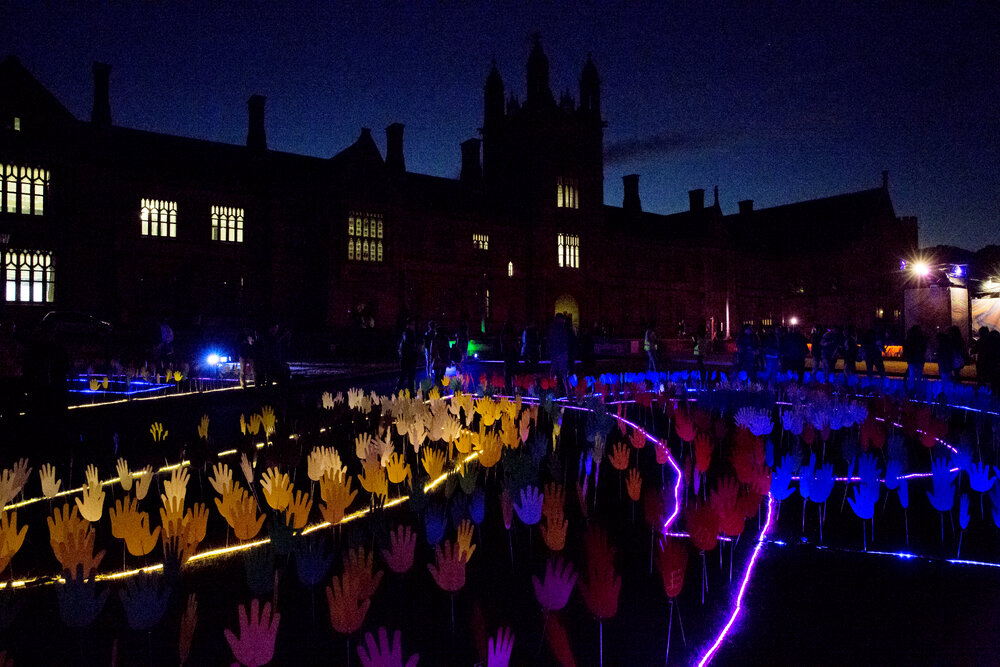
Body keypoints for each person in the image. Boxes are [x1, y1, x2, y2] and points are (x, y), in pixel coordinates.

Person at [548, 313, 571, 396]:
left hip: (555, 352)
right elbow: (567, 340)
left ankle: (552, 392)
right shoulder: (564, 328)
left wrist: (549, 351)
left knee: (553, 372)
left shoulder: (552, 327)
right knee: (563, 373)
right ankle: (567, 392)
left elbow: (549, 340)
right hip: (562, 352)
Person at [396, 318, 417, 394]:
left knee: (406, 376)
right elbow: (409, 347)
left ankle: (400, 390)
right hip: (408, 359)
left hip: (407, 358)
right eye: (412, 324)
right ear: (408, 325)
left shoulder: (407, 333)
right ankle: (410, 392)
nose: (413, 326)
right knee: (407, 376)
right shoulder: (408, 334)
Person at [500, 320, 520, 389]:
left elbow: (502, 344)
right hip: (512, 354)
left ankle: (508, 386)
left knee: (507, 372)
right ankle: (514, 387)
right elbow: (515, 344)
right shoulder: (512, 335)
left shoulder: (503, 334)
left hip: (507, 354)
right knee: (513, 371)